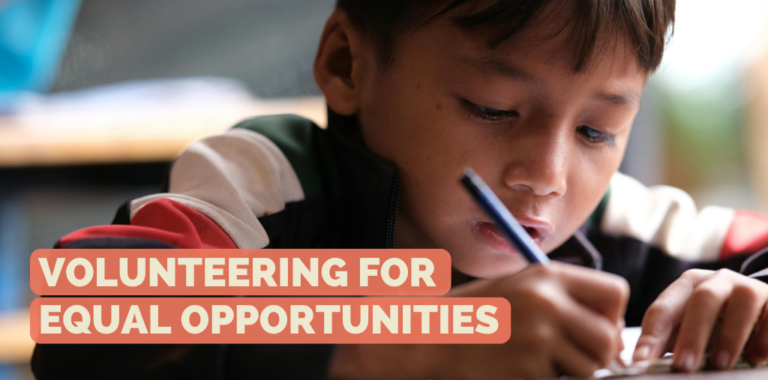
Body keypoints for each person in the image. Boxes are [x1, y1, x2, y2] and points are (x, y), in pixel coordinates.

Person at [32, 0, 768, 379]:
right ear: (348, 64)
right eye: (492, 108)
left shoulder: (621, 225)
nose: (545, 177)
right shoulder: (270, 184)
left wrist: (750, 302)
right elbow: (87, 304)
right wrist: (428, 342)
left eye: (597, 133)